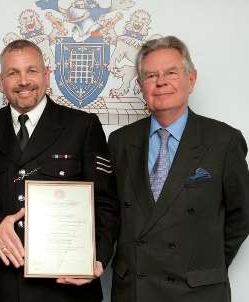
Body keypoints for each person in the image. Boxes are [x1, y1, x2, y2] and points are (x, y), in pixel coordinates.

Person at [0, 39, 117, 302]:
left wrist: (96, 257)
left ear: (46, 75)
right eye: (13, 73)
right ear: (0, 81)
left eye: (31, 70)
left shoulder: (82, 126)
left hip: (66, 289)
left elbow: (105, 203)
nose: (23, 81)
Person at [106, 35, 249, 302]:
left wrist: (203, 265)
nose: (161, 82)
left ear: (191, 79)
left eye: (171, 72)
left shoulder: (224, 141)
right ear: (140, 86)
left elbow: (241, 216)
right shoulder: (120, 142)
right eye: (150, 76)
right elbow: (109, 212)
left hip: (197, 291)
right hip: (135, 291)